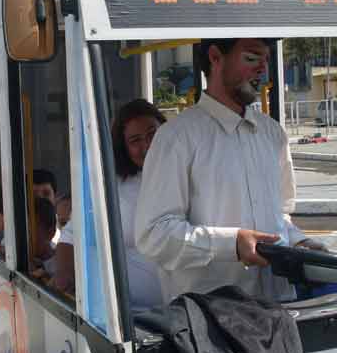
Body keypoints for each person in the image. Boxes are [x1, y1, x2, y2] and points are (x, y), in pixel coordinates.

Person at [135, 38, 324, 305]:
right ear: (215, 57)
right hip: (211, 317)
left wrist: (300, 243)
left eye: (266, 60)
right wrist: (231, 244)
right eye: (251, 58)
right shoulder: (176, 138)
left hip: (280, 308)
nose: (262, 69)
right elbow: (154, 235)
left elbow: (280, 217)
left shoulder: (273, 134)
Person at [53, 99, 166, 311]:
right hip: (131, 315)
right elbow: (72, 237)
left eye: (153, 134)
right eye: (135, 140)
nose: (147, 145)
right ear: (124, 147)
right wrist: (64, 274)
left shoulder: (188, 170)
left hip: (185, 306)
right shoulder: (108, 185)